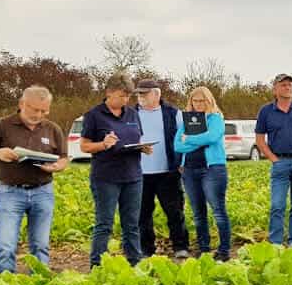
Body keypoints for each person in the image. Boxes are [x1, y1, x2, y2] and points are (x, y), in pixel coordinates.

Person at [0, 86, 69, 273]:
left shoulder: (53, 129)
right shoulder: (2, 126)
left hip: (43, 191)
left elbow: (63, 158)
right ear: (22, 104)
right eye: (35, 109)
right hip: (10, 192)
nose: (39, 114)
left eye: (44, 110)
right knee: (6, 245)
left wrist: (58, 166)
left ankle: (39, 284)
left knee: (40, 245)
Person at [80, 76, 152, 268]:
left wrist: (143, 147)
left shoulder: (132, 114)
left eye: (128, 95)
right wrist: (103, 144)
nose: (126, 99)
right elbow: (85, 147)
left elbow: (137, 138)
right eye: (122, 95)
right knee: (104, 224)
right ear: (109, 93)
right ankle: (97, 265)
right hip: (106, 178)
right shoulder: (94, 115)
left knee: (132, 224)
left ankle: (135, 262)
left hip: (133, 176)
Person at [134, 79, 190, 260]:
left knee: (174, 211)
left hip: (168, 172)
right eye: (139, 93)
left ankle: (180, 246)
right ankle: (145, 249)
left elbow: (185, 139)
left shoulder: (174, 113)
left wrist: (182, 162)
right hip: (139, 172)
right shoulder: (130, 114)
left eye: (144, 93)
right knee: (142, 214)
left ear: (157, 94)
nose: (140, 96)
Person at [174, 86, 231, 261]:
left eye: (202, 100)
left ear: (209, 101)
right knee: (198, 213)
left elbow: (212, 137)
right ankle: (204, 249)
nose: (198, 104)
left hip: (212, 170)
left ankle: (223, 251)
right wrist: (201, 140)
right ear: (190, 102)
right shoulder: (186, 122)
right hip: (190, 170)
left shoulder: (215, 119)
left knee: (218, 211)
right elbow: (177, 146)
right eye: (195, 100)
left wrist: (190, 139)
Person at [255, 73, 292, 246]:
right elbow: (260, 140)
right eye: (283, 85)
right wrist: (274, 159)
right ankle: (276, 243)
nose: (287, 87)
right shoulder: (266, 111)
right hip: (280, 162)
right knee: (277, 205)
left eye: (289, 85)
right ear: (275, 90)